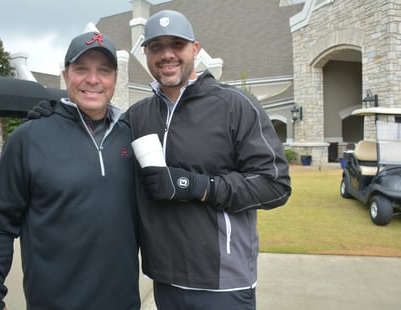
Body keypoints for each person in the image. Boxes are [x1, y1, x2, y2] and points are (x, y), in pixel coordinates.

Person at [123, 10, 292, 309]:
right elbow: (97, 140)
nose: (167, 54)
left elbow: (275, 184)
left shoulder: (235, 106)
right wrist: (58, 117)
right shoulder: (137, 116)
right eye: (157, 47)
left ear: (195, 49)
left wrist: (198, 186)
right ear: (146, 53)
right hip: (164, 278)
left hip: (224, 283)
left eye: (176, 44)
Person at [0, 32, 140, 310]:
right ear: (65, 75)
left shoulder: (131, 136)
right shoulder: (29, 138)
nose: (93, 79)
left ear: (115, 78)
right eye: (81, 69)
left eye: (104, 70)